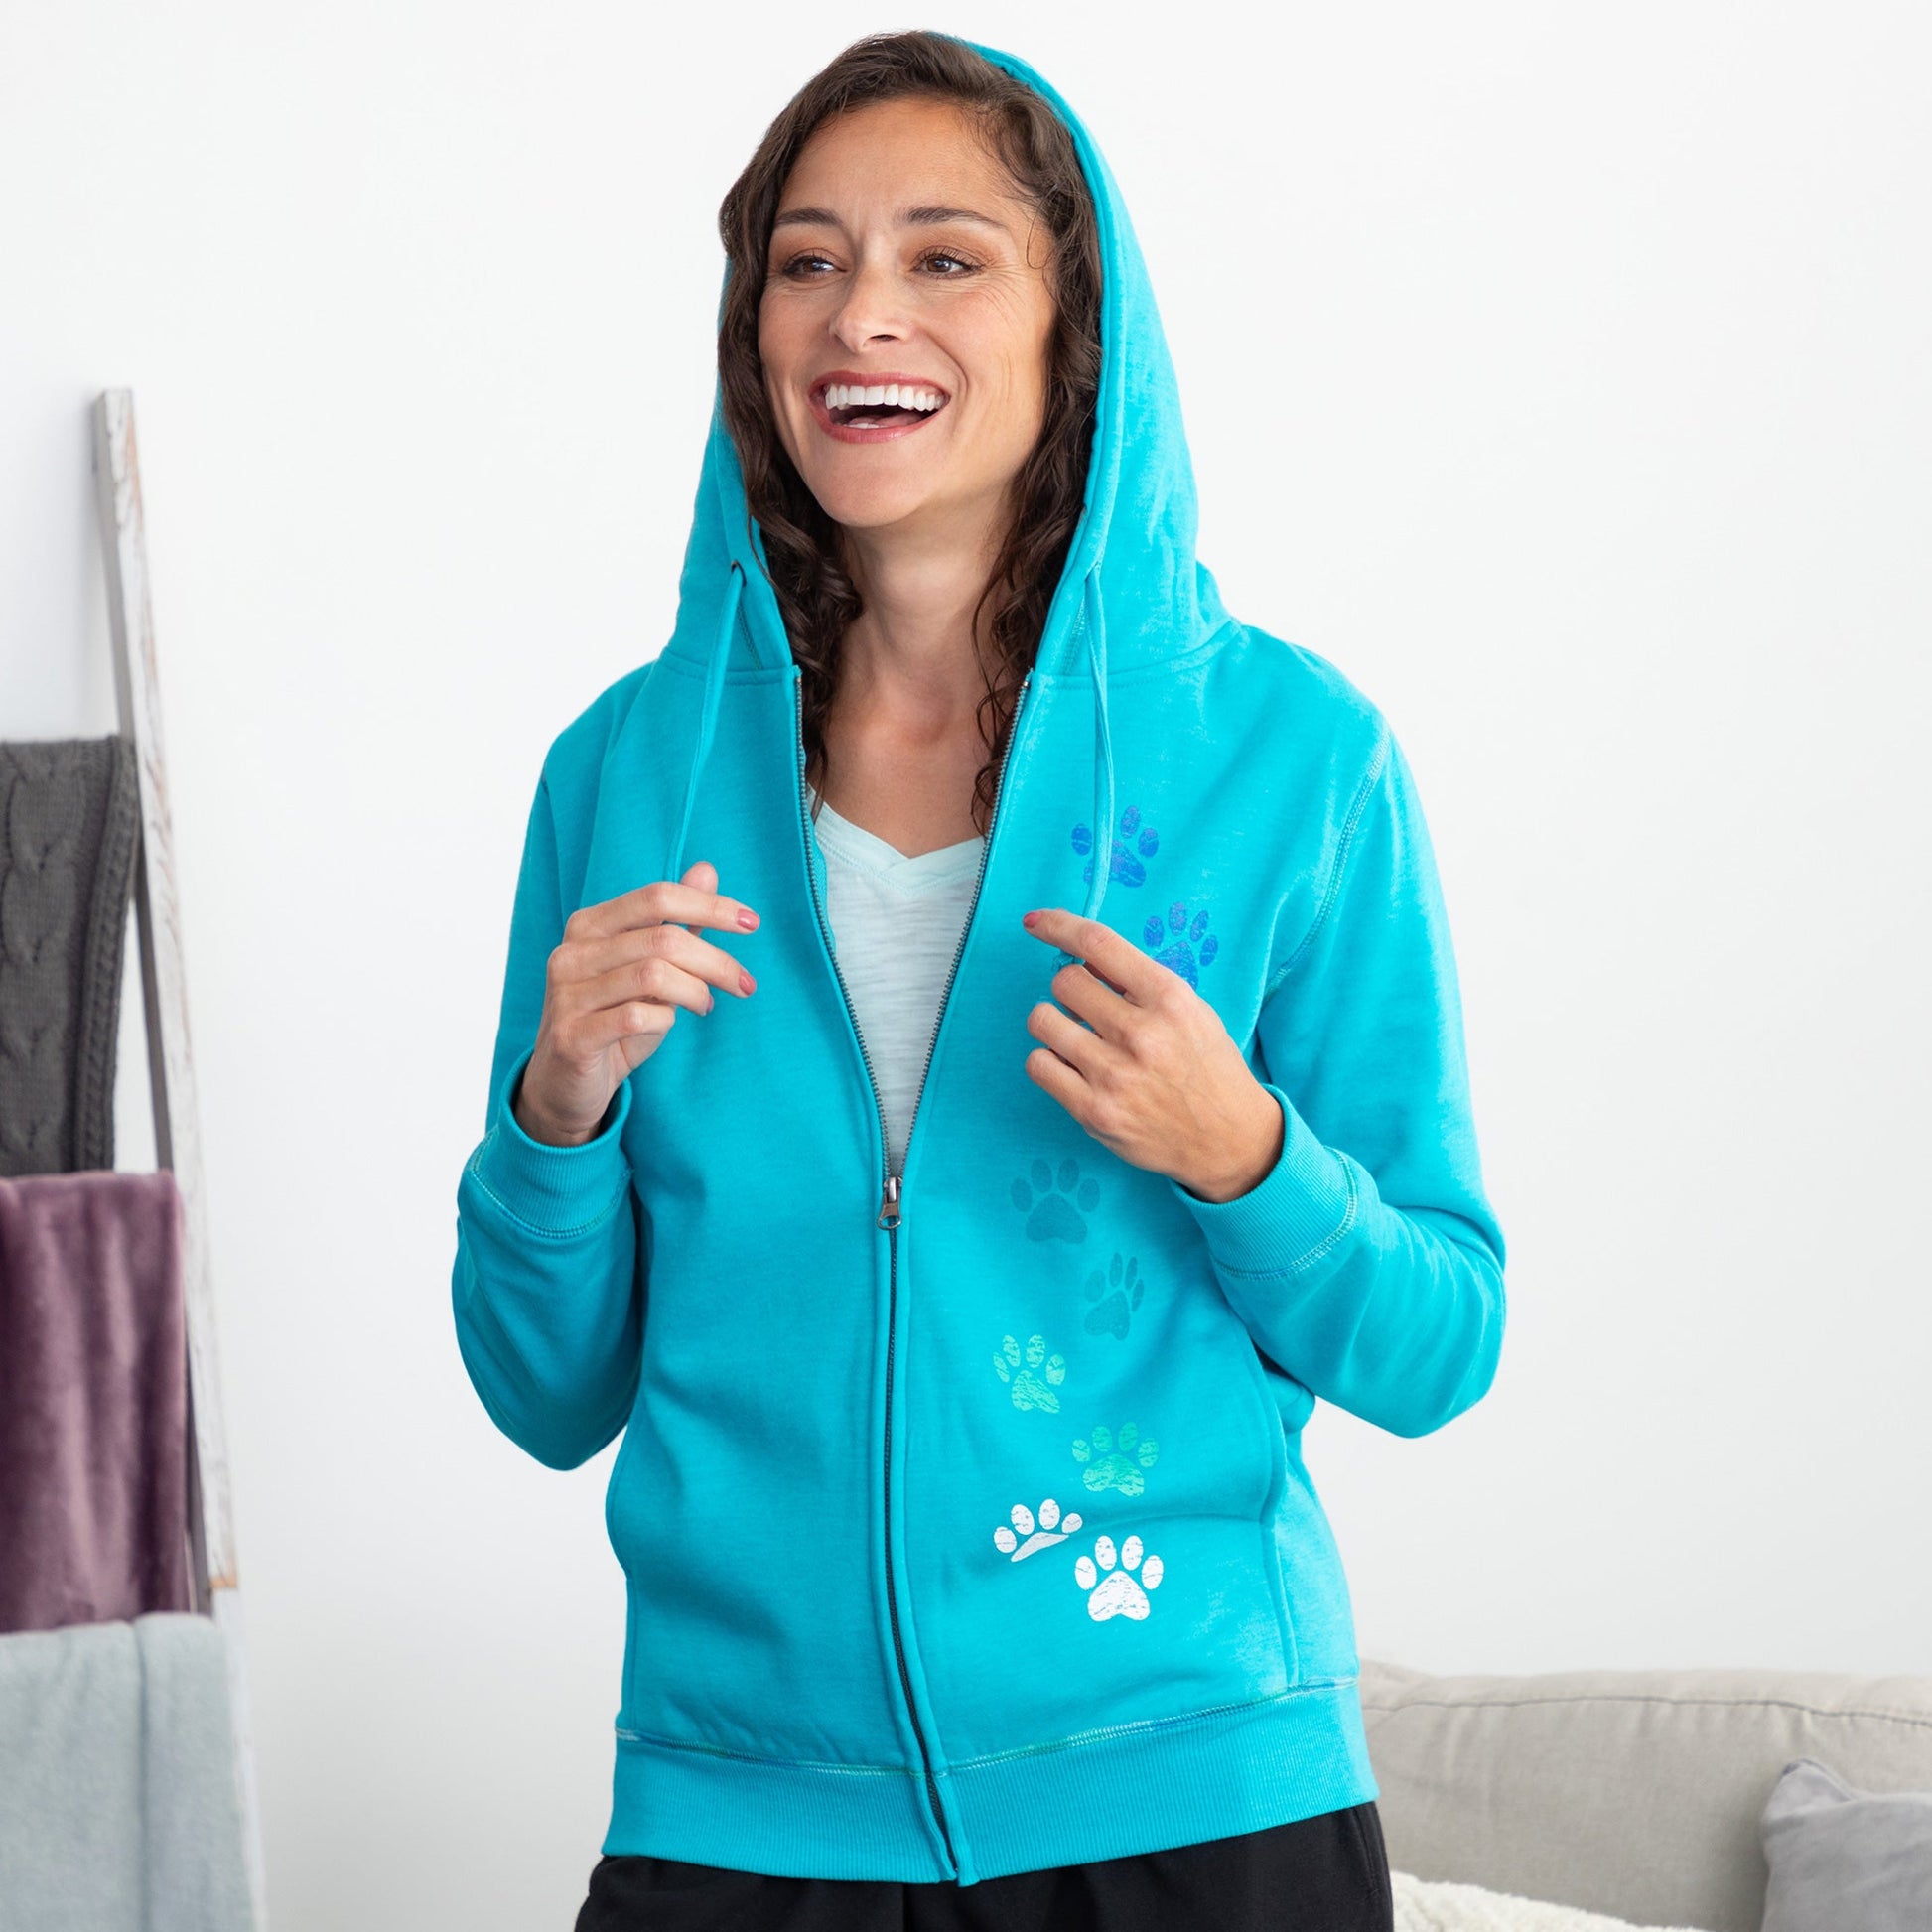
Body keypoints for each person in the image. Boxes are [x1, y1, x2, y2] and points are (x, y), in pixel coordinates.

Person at [451, 30, 1506, 1932]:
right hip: (744, 1819)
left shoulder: (1289, 757)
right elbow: (545, 1390)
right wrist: (554, 1119)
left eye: (945, 255)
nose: (863, 313)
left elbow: (1437, 1341)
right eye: (807, 260)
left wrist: (1244, 1152)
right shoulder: (623, 777)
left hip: (1192, 1804)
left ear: (1073, 326)